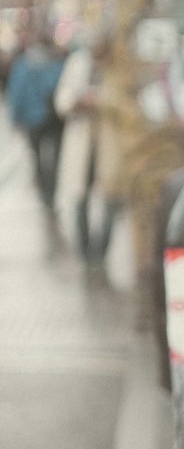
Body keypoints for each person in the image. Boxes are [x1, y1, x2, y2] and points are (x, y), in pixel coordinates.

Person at [53, 28, 125, 275]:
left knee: (111, 199)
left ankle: (100, 252)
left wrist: (101, 100)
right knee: (79, 198)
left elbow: (125, 103)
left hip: (109, 144)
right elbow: (61, 100)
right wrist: (76, 102)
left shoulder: (118, 67)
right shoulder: (77, 64)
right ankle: (85, 253)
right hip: (81, 143)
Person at [6, 29, 66, 209]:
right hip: (54, 118)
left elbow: (16, 94)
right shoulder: (56, 63)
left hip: (34, 119)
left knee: (38, 156)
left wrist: (16, 119)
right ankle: (51, 189)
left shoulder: (23, 64)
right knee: (54, 155)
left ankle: (44, 191)